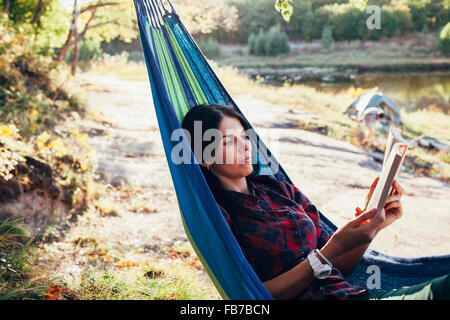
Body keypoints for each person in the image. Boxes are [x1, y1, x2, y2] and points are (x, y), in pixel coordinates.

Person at [180, 104, 449, 300]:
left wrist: (372, 224)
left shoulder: (280, 190)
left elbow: (339, 266)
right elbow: (254, 296)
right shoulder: (217, 215)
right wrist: (327, 253)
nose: (245, 147)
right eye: (229, 142)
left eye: (245, 138)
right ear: (204, 157)